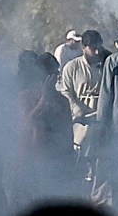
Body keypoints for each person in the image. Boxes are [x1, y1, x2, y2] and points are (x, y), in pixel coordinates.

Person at [12, 50, 77, 206]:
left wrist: (70, 157)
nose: (55, 78)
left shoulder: (62, 101)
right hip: (32, 158)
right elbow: (25, 123)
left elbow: (67, 131)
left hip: (57, 158)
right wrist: (43, 102)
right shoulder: (25, 97)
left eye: (57, 74)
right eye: (52, 74)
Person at [58, 30, 112, 156]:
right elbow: (66, 92)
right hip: (81, 124)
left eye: (99, 48)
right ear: (83, 48)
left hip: (101, 122)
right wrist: (77, 109)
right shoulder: (72, 67)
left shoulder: (107, 66)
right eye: (93, 49)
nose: (97, 52)